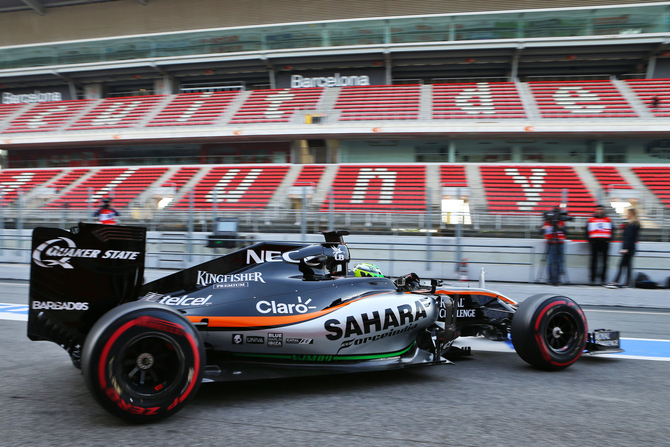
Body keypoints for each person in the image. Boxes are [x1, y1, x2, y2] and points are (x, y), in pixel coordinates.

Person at [606, 208, 641, 289]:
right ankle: (627, 283)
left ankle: (615, 281)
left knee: (621, 265)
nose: (626, 215)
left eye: (628, 214)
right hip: (632, 247)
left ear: (631, 214)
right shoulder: (635, 224)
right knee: (627, 265)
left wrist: (625, 248)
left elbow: (628, 237)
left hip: (627, 247)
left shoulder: (630, 225)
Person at [586, 204, 613, 285]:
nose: (600, 211)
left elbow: (612, 230)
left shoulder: (608, 219)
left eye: (601, 209)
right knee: (593, 261)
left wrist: (609, 240)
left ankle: (603, 279)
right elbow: (586, 230)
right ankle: (592, 279)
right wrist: (590, 240)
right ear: (595, 210)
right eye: (598, 209)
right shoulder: (591, 219)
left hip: (605, 242)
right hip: (595, 242)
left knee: (604, 262)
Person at [540, 207, 567, 285]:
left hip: (560, 242)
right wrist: (545, 225)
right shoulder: (547, 221)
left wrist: (559, 227)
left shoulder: (562, 221)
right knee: (551, 262)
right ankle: (551, 279)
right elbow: (540, 232)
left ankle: (557, 279)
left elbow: (566, 232)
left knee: (559, 261)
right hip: (550, 242)